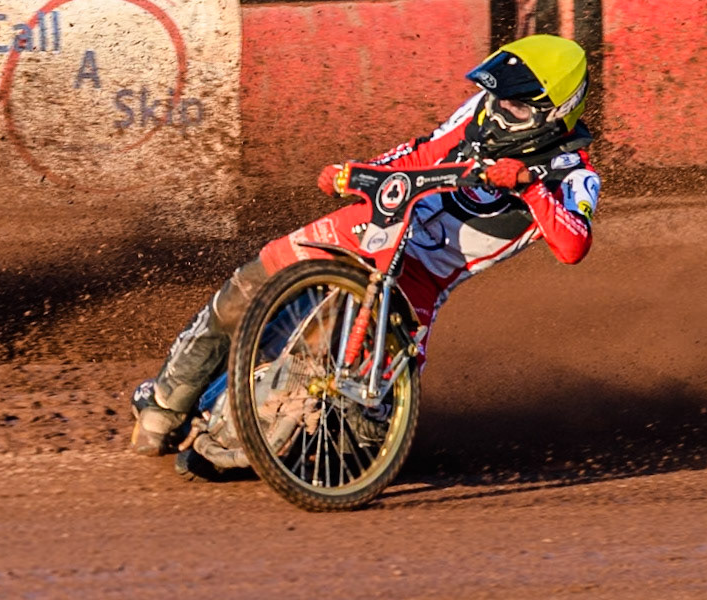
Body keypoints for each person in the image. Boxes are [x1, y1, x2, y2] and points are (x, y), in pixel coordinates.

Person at [130, 34, 601, 472]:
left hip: (419, 281)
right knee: (250, 286)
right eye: (497, 100)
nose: (497, 114)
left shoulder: (574, 175)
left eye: (515, 109)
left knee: (364, 429)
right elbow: (421, 153)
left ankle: (254, 438)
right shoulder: (479, 111)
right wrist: (359, 173)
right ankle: (164, 407)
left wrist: (531, 187)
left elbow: (574, 244)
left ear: (553, 113)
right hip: (373, 225)